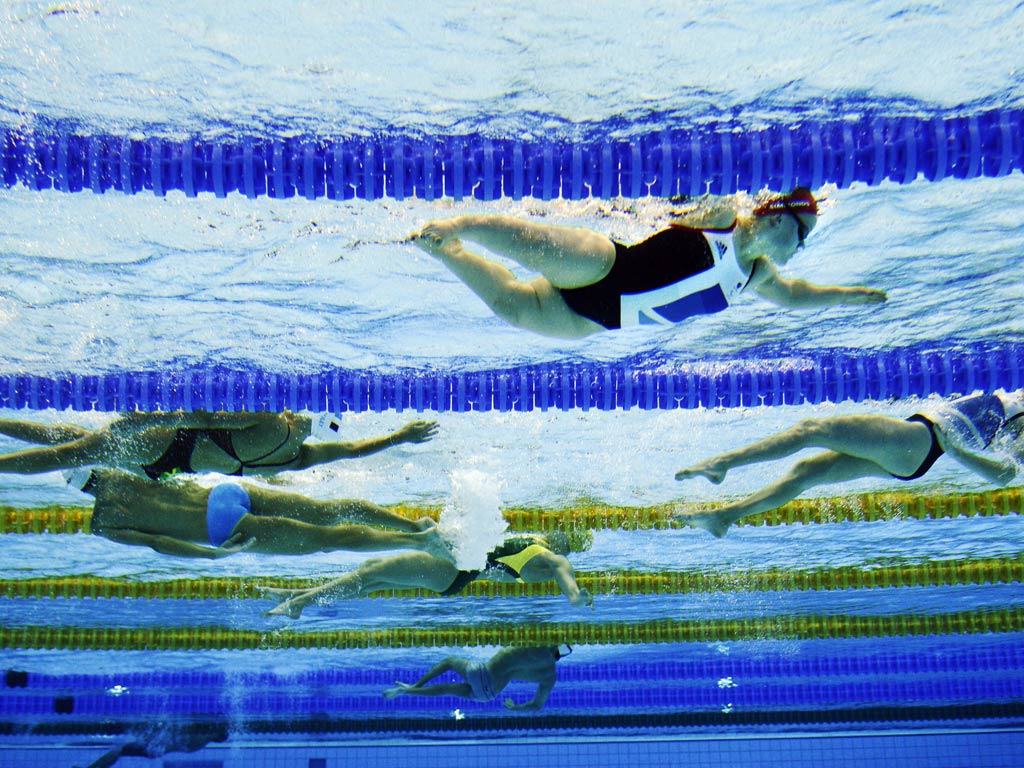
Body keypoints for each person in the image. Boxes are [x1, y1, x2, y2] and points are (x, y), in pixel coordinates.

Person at [411, 188, 886, 339]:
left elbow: (797, 294)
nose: (798, 247)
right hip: (605, 267)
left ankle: (441, 249)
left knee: (511, 307)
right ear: (778, 218)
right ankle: (462, 225)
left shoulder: (757, 275)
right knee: (532, 245)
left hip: (598, 319)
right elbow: (660, 214)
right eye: (802, 234)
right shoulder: (723, 217)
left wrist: (850, 297)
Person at [673, 389, 1024, 537]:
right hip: (915, 445)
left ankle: (722, 463)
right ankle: (724, 517)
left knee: (813, 429)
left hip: (923, 442)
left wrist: (957, 452)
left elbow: (1007, 473)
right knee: (805, 472)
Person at [70, 468, 448, 560]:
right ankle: (412, 524)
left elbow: (157, 542)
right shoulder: (120, 472)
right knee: (326, 512)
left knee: (325, 540)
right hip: (223, 493)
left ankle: (420, 542)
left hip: (219, 527)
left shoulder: (102, 523)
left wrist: (212, 554)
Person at [0, 409, 437, 479]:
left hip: (160, 441)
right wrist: (400, 437)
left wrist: (147, 418)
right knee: (71, 441)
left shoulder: (272, 422)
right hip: (166, 469)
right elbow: (355, 451)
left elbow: (203, 417)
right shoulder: (297, 457)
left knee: (71, 452)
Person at [263, 532, 594, 618]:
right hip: (453, 576)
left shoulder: (552, 558)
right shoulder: (540, 546)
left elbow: (566, 576)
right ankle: (297, 598)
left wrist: (576, 595)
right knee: (370, 578)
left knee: (371, 572)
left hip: (452, 570)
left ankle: (299, 603)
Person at [383, 644, 572, 712]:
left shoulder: (538, 644)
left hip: (483, 672)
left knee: (449, 661)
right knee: (446, 690)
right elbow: (536, 705)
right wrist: (514, 708)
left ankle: (412, 686)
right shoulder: (550, 676)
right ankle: (407, 692)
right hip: (488, 695)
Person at [74, 721, 228, 768]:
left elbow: (175, 740)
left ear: (216, 736)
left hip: (154, 749)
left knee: (119, 750)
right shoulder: (200, 740)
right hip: (155, 747)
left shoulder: (199, 742)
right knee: (119, 751)